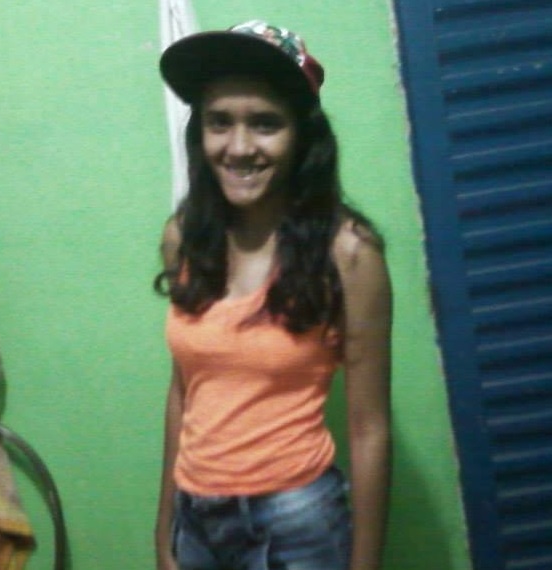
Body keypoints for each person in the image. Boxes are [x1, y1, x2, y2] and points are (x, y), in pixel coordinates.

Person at [153, 20, 392, 570]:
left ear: (302, 135)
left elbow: (369, 428)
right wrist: (166, 527)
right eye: (220, 122)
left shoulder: (349, 254)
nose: (239, 148)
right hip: (195, 518)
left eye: (265, 124)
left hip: (295, 524)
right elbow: (184, 391)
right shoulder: (184, 238)